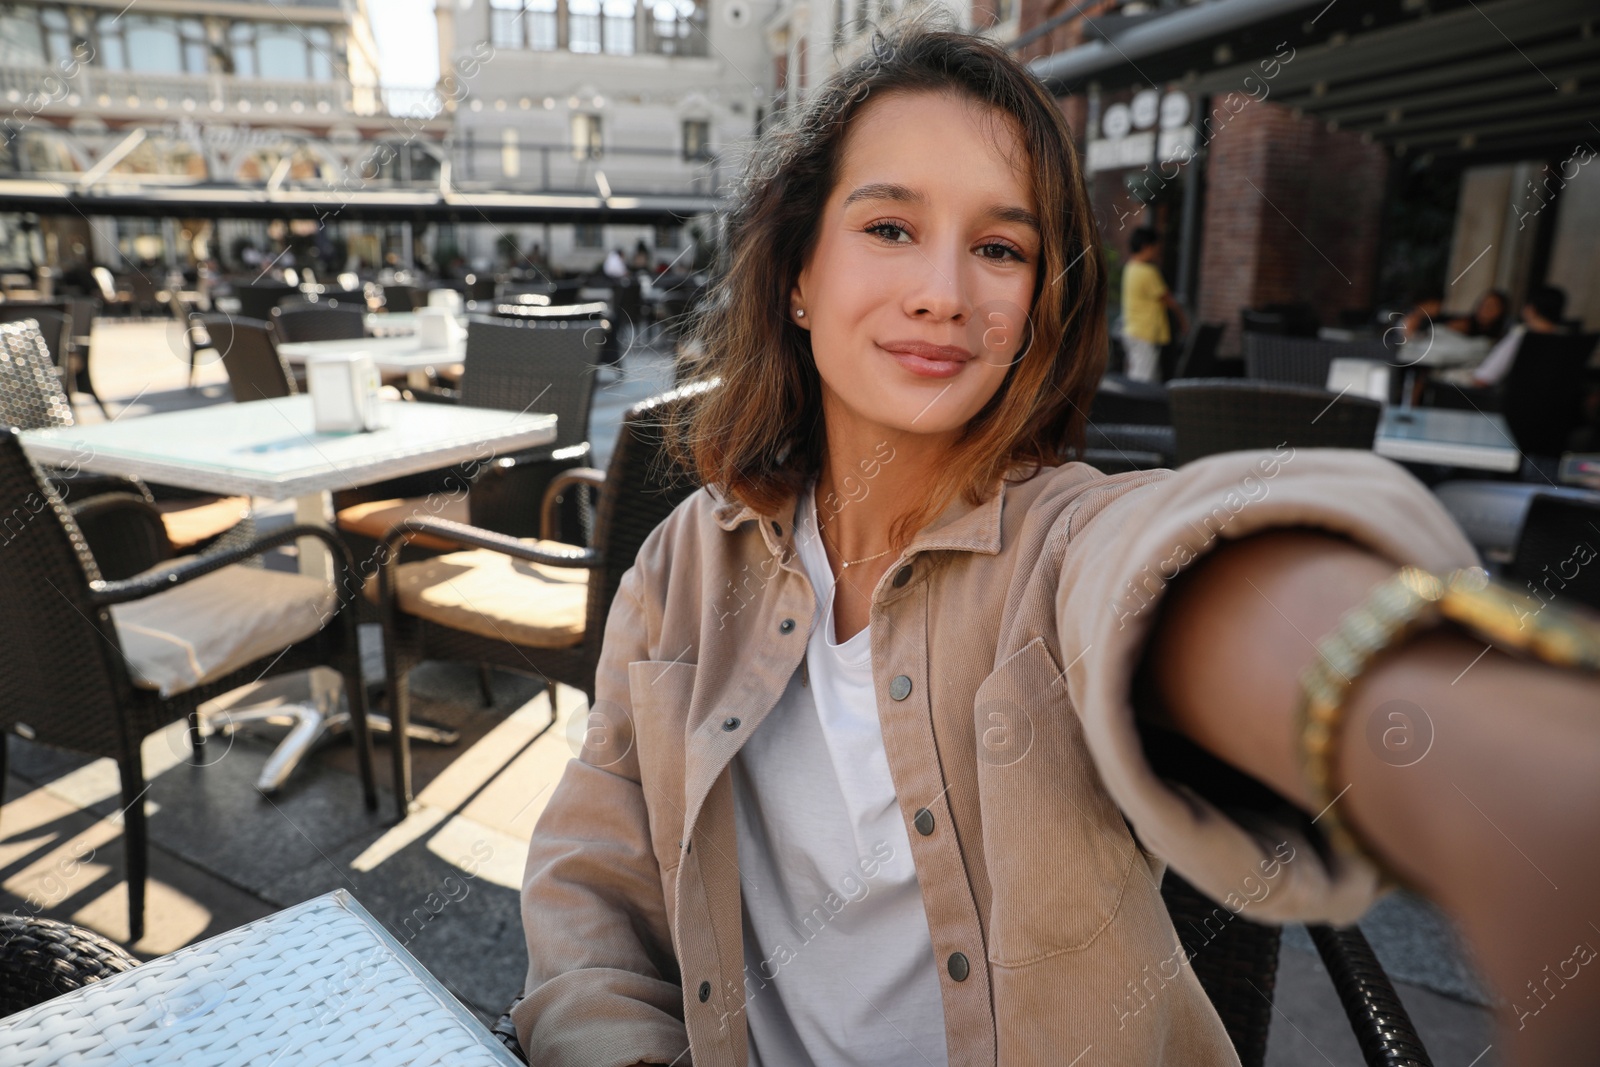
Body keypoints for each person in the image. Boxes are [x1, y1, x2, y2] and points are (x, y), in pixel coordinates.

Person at [512, 20, 1600, 1067]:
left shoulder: (1061, 537)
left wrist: (1485, 754)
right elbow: (591, 873)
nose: (943, 294)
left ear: (1038, 299)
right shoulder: (683, 565)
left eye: (998, 246)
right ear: (797, 272)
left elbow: (1166, 568)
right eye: (889, 227)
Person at [1467, 284, 1570, 387]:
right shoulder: (1568, 338)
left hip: (1506, 400)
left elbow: (1483, 379)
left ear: (1531, 309)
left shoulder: (1521, 336)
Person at [1120, 226, 1185, 382]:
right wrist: (1183, 321)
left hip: (1132, 330)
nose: (1158, 252)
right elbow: (1168, 300)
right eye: (1157, 248)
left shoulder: (1130, 267)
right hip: (1146, 333)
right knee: (1143, 379)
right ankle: (1134, 406)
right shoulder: (1148, 272)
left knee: (1139, 374)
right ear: (1147, 247)